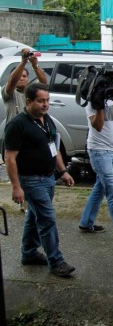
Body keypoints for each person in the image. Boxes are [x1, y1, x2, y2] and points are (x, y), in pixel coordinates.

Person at [4, 82, 76, 278]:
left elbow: (54, 148)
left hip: (48, 178)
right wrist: (16, 187)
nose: (45, 104)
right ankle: (56, 261)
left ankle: (28, 253)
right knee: (47, 219)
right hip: (30, 180)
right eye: (41, 101)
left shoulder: (47, 120)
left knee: (33, 217)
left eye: (47, 100)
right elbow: (9, 158)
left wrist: (63, 172)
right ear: (29, 101)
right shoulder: (17, 125)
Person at [78, 70, 113, 245]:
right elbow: (98, 126)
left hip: (112, 151)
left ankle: (86, 223)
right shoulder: (91, 103)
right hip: (98, 151)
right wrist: (99, 105)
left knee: (100, 188)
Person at [2, 48, 48, 126]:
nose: (21, 78)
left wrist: (35, 66)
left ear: (28, 79)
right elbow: (13, 81)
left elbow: (44, 84)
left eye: (24, 76)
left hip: (31, 130)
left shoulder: (31, 91)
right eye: (19, 76)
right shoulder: (9, 91)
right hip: (15, 131)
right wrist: (23, 62)